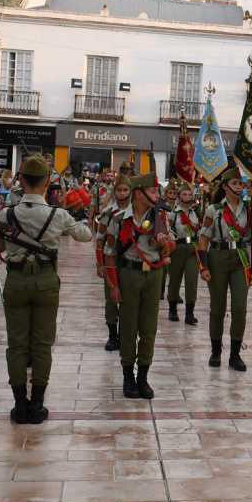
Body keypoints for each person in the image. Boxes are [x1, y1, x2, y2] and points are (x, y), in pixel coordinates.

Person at [0, 156, 93, 423]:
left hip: (16, 280)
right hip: (45, 280)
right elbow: (85, 235)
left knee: (17, 344)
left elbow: (0, 247)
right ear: (47, 182)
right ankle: (37, 404)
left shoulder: (6, 214)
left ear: (21, 181)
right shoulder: (57, 214)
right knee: (42, 344)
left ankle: (19, 405)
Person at [103, 171, 173, 399]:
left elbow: (170, 247)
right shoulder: (119, 218)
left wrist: (164, 244)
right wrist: (113, 286)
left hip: (153, 275)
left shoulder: (160, 217)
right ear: (139, 193)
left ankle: (143, 376)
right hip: (128, 274)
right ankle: (128, 377)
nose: (157, 194)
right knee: (128, 328)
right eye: (153, 191)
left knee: (149, 329)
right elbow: (109, 254)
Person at [198, 167, 252, 371]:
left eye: (241, 184)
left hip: (240, 257)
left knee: (240, 308)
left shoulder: (249, 208)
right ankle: (216, 351)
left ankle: (235, 355)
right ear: (225, 187)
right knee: (218, 308)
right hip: (218, 256)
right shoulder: (214, 210)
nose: (239, 187)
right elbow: (204, 238)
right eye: (235, 183)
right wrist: (203, 266)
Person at [95, 173, 130, 351]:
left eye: (125, 190)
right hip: (111, 261)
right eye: (119, 190)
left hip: (129, 261)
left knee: (128, 299)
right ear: (114, 191)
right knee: (111, 299)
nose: (122, 193)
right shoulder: (108, 214)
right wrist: (99, 264)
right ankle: (112, 335)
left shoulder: (136, 213)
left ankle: (125, 335)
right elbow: (99, 240)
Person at [166, 182, 201, 326]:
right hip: (178, 248)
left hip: (192, 248)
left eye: (189, 194)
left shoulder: (195, 213)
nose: (187, 197)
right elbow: (168, 231)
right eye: (184, 194)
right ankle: (172, 309)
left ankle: (189, 313)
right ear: (179, 196)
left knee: (192, 281)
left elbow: (200, 230)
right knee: (175, 280)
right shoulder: (173, 213)